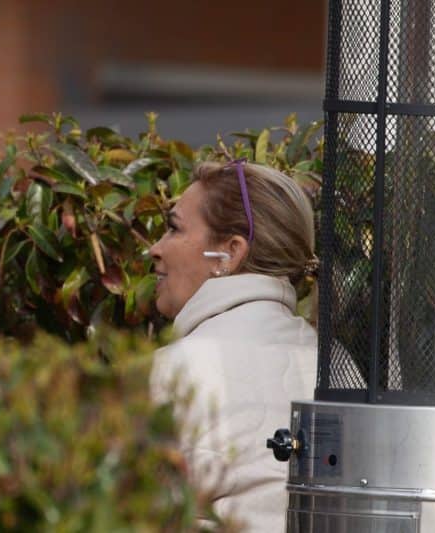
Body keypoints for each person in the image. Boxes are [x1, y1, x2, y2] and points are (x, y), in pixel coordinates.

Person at [149, 160, 318, 532]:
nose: (154, 248)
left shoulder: (171, 370)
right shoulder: (336, 366)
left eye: (173, 229)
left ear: (229, 253)